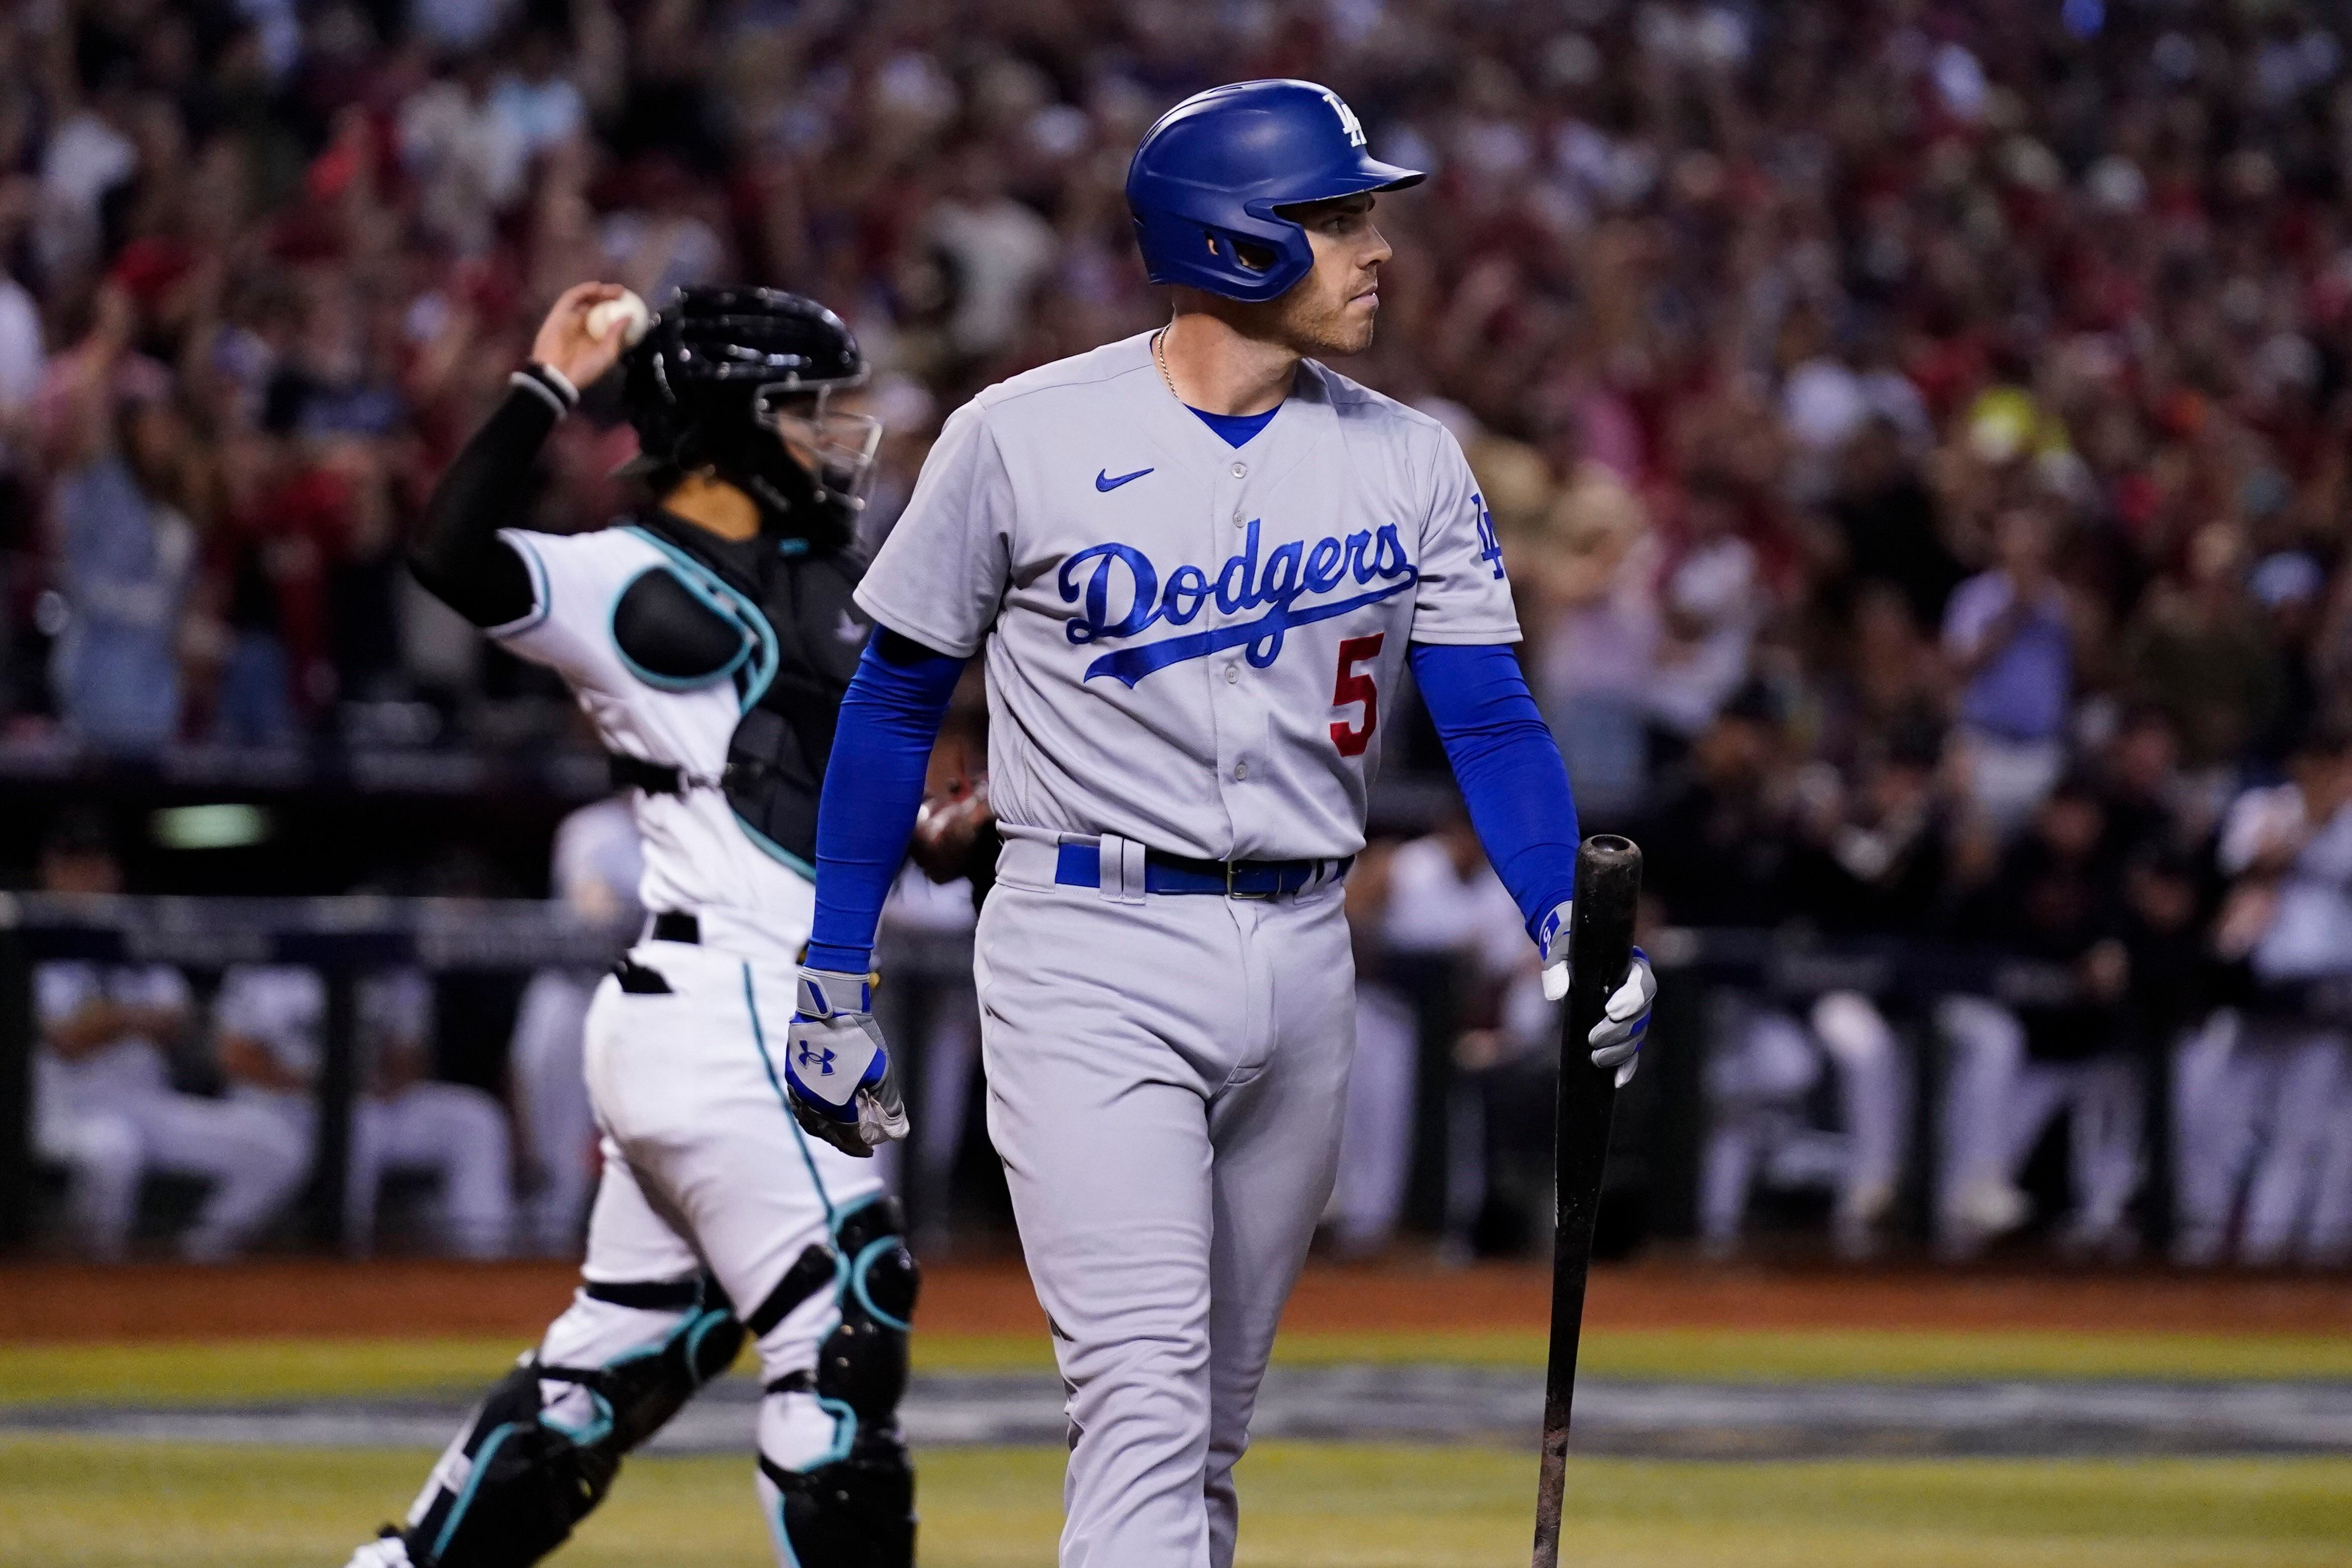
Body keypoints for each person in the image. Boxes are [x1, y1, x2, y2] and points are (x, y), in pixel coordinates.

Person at [783, 80, 1656, 1568]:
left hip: (1309, 948)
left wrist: (1563, 923)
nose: (1376, 248)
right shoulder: (1024, 435)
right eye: (1339, 217)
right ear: (1236, 237)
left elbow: (1494, 721)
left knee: (1202, 1437)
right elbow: (890, 706)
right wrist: (835, 965)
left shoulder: (1411, 456)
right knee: (1141, 1401)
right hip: (1086, 941)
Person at [345, 283, 917, 1568]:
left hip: (752, 1011)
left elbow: (806, 786)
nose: (835, 436)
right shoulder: (630, 573)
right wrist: (545, 385)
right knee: (849, 1305)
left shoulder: (813, 582)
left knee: (621, 1355)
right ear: (726, 424)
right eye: (804, 410)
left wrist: (931, 832)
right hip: (732, 1012)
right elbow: (447, 549)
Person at [30, 812, 304, 1261]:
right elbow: (67, 1041)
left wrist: (108, 1019)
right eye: (74, 865)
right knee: (112, 1154)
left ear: (113, 871)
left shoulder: (135, 935)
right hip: (70, 1107)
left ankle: (195, 1259)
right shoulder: (31, 937)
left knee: (275, 1147)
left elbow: (176, 1024)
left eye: (96, 864)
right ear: (51, 871)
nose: (88, 877)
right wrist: (128, 1020)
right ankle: (92, 1280)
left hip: (146, 1100)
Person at [213, 963, 515, 1258]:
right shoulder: (268, 965)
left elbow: (408, 1058)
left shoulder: (395, 968)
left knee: (476, 1120)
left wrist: (375, 1083)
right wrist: (319, 1087)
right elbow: (236, 1056)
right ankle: (344, 1261)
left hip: (366, 1100)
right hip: (279, 1106)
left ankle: (485, 1258)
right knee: (357, 1124)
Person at [509, 793, 643, 1255]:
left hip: (657, 1004)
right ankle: (526, 1286)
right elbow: (592, 907)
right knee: (558, 1167)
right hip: (576, 994)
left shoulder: (709, 827)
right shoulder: (594, 827)